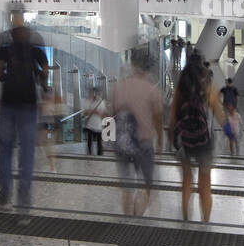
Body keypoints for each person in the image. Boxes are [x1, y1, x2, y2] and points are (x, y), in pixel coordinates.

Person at [0, 12, 49, 219]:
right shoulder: (35, 41)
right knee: (27, 155)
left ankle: (5, 197)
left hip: (8, 104)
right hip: (29, 105)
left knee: (5, 152)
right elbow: (45, 72)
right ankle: (24, 202)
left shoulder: (4, 41)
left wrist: (7, 76)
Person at [170, 60, 226, 223]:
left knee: (187, 180)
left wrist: (172, 141)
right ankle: (205, 221)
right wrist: (230, 132)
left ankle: (186, 217)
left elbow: (173, 120)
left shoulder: (180, 93)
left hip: (185, 142)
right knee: (205, 183)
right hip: (204, 142)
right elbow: (221, 118)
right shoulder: (210, 92)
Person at [113, 54, 165, 216]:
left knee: (127, 188)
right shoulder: (152, 90)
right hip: (144, 143)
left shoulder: (119, 87)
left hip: (123, 143)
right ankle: (137, 217)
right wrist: (160, 141)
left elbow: (112, 115)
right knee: (146, 186)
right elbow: (157, 120)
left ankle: (128, 219)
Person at [83, 86, 107, 156]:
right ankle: (89, 153)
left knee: (99, 142)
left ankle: (99, 155)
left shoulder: (101, 102)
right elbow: (85, 112)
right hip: (89, 124)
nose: (95, 94)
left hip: (98, 125)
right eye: (94, 93)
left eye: (97, 93)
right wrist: (94, 112)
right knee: (89, 141)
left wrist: (97, 112)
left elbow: (103, 114)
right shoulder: (88, 101)